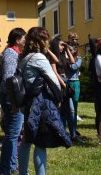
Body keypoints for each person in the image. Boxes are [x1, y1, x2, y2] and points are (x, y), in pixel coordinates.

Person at [17, 27, 71, 175]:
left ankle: (22, 172)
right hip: (40, 104)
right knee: (40, 143)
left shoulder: (23, 57)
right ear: (41, 41)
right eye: (46, 39)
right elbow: (54, 81)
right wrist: (59, 98)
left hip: (28, 103)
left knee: (27, 141)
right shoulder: (39, 58)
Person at [0, 27, 26, 175]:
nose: (26, 41)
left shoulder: (14, 52)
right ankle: (6, 169)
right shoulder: (10, 53)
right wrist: (15, 102)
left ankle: (11, 165)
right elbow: (9, 78)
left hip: (12, 97)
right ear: (17, 40)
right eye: (24, 38)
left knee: (13, 134)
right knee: (12, 135)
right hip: (11, 98)